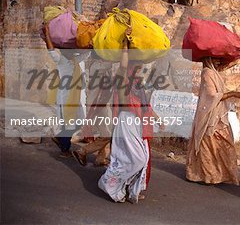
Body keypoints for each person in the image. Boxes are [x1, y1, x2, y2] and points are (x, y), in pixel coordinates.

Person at [98, 28, 156, 203]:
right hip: (126, 121)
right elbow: (123, 64)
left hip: (138, 123)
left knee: (142, 158)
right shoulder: (122, 76)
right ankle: (109, 183)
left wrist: (156, 117)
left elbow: (144, 104)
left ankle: (129, 188)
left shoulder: (138, 82)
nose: (141, 66)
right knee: (135, 159)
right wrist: (125, 43)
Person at [186, 57, 240, 185]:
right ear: (208, 60)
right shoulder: (207, 72)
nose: (219, 61)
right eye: (215, 59)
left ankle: (219, 175)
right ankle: (208, 176)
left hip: (218, 115)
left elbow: (230, 63)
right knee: (209, 146)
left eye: (219, 59)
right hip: (210, 116)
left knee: (224, 146)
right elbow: (211, 95)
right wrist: (234, 94)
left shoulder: (215, 72)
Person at [42, 23, 88, 158]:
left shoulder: (74, 60)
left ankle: (59, 138)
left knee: (79, 121)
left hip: (74, 98)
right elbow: (51, 50)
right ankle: (64, 150)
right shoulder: (61, 60)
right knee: (68, 124)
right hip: (65, 98)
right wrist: (47, 36)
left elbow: (86, 54)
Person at [72, 53, 113, 167]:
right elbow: (112, 64)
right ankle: (83, 152)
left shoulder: (99, 66)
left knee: (105, 132)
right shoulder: (98, 66)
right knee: (107, 135)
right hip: (97, 106)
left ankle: (101, 159)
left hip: (101, 105)